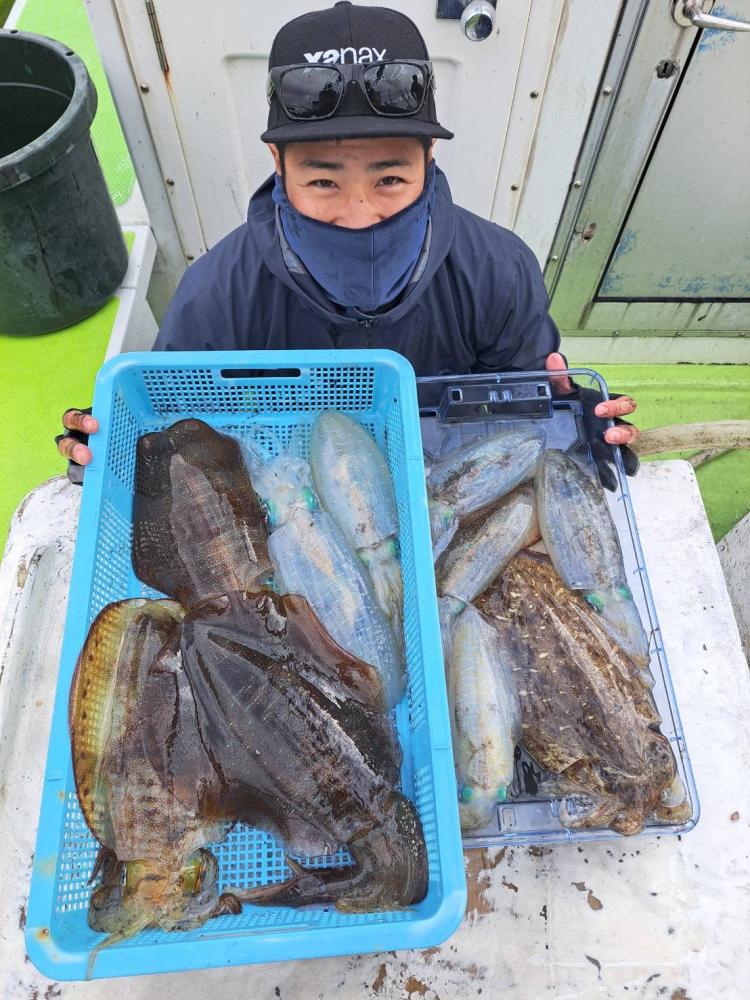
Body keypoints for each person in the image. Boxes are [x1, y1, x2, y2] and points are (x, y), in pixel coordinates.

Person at [57, 1, 638, 484]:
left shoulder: (499, 271)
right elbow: (175, 429)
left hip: (439, 489)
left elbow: (524, 406)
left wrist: (573, 421)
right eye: (323, 182)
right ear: (277, 162)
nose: (359, 215)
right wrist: (112, 447)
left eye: (390, 179)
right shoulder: (214, 296)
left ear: (429, 157)